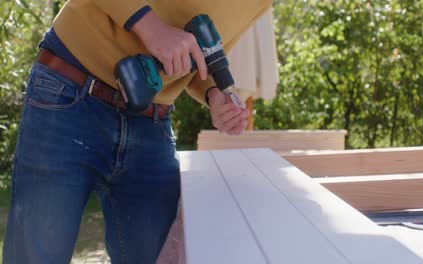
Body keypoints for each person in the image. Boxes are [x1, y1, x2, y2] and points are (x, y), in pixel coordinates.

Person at [2, 0, 272, 263]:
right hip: (70, 91)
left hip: (151, 122)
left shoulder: (260, 3)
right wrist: (150, 27)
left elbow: (206, 52)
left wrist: (214, 94)